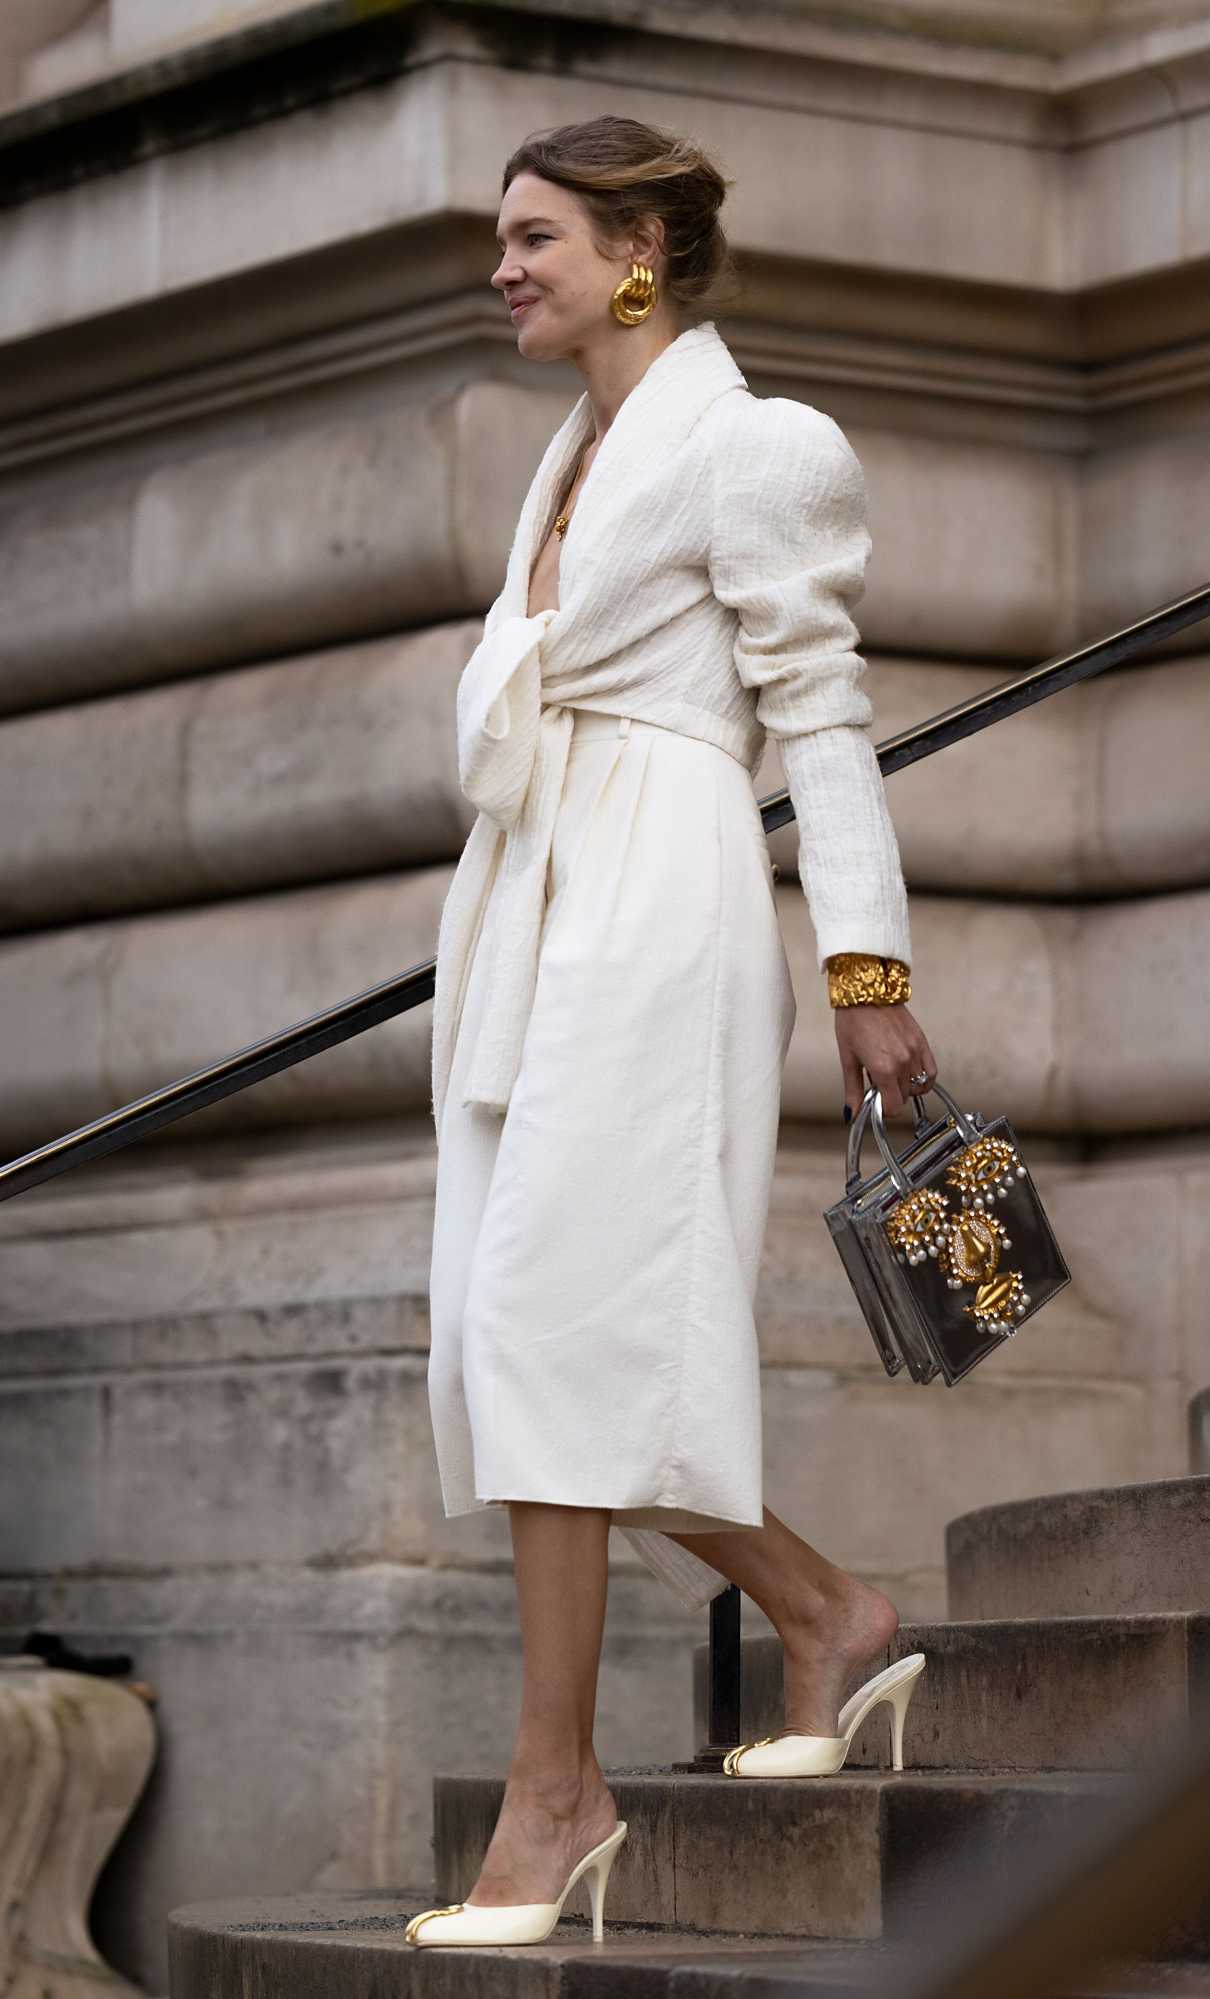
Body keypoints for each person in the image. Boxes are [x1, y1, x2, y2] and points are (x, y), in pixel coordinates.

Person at [408, 114, 937, 1949]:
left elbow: (823, 719)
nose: (504, 266)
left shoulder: (753, 446)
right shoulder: (567, 460)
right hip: (531, 906)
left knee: (553, 1328)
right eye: (504, 236)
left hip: (655, 898)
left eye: (535, 234)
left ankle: (553, 1799)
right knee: (506, 1343)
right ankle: (822, 1615)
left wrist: (866, 973)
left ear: (637, 247)